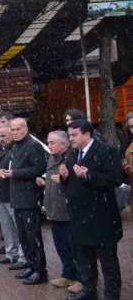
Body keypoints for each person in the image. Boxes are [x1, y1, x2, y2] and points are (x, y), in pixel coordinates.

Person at [54, 119, 122, 300]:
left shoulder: (107, 151)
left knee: (108, 264)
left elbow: (115, 180)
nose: (71, 139)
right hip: (79, 218)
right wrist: (64, 177)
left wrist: (88, 175)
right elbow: (70, 185)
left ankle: (111, 295)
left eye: (74, 135)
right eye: (69, 135)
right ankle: (89, 292)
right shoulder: (72, 154)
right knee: (85, 261)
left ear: (87, 134)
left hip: (102, 218)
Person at [0, 118, 48, 285]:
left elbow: (39, 168)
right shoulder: (16, 147)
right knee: (24, 237)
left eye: (18, 129)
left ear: (26, 129)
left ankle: (40, 271)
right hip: (17, 197)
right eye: (13, 129)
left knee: (33, 236)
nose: (15, 132)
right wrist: (7, 173)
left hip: (29, 198)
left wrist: (14, 173)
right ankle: (30, 266)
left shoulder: (33, 146)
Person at [40, 131, 82, 294]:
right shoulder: (52, 158)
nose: (49, 145)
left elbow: (77, 184)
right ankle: (68, 274)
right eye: (48, 142)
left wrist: (64, 181)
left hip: (68, 211)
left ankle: (81, 278)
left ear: (64, 145)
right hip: (54, 209)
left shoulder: (72, 158)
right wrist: (44, 182)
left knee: (74, 248)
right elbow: (53, 178)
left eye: (52, 143)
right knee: (61, 246)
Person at [0, 127, 26, 268]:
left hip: (13, 195)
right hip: (0, 195)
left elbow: (19, 171)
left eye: (4, 135)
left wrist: (8, 175)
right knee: (6, 229)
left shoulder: (16, 150)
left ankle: (23, 257)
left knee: (19, 229)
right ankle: (10, 254)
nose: (1, 139)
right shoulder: (0, 150)